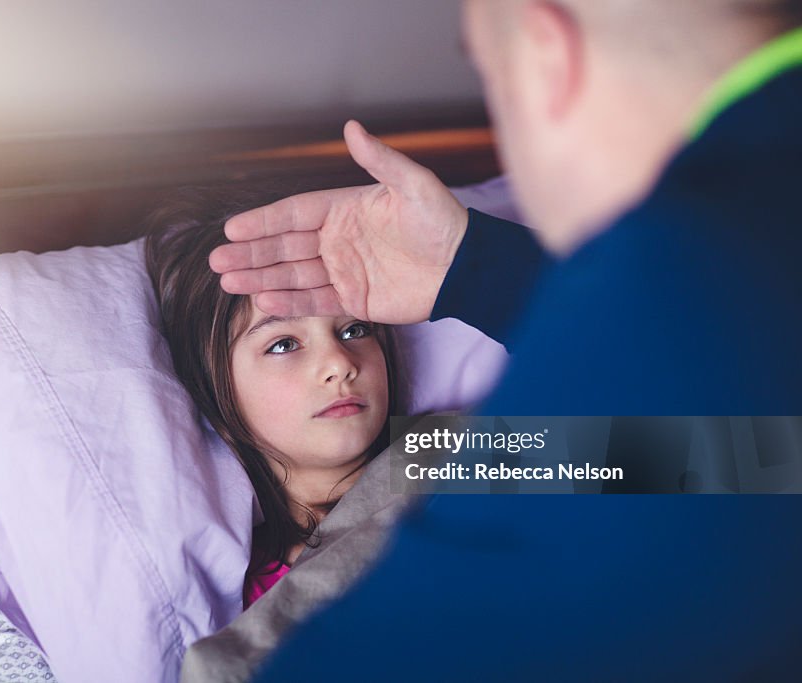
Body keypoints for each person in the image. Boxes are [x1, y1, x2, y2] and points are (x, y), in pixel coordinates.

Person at [208, 0, 802, 679]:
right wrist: (474, 263)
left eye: (486, 75)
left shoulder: (673, 278)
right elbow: (734, 459)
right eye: (283, 344)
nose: (337, 362)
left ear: (546, 52)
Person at [143, 196, 401, 607]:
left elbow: (544, 457)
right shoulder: (255, 601)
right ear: (215, 391)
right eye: (283, 344)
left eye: (354, 330)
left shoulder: (452, 443)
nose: (339, 363)